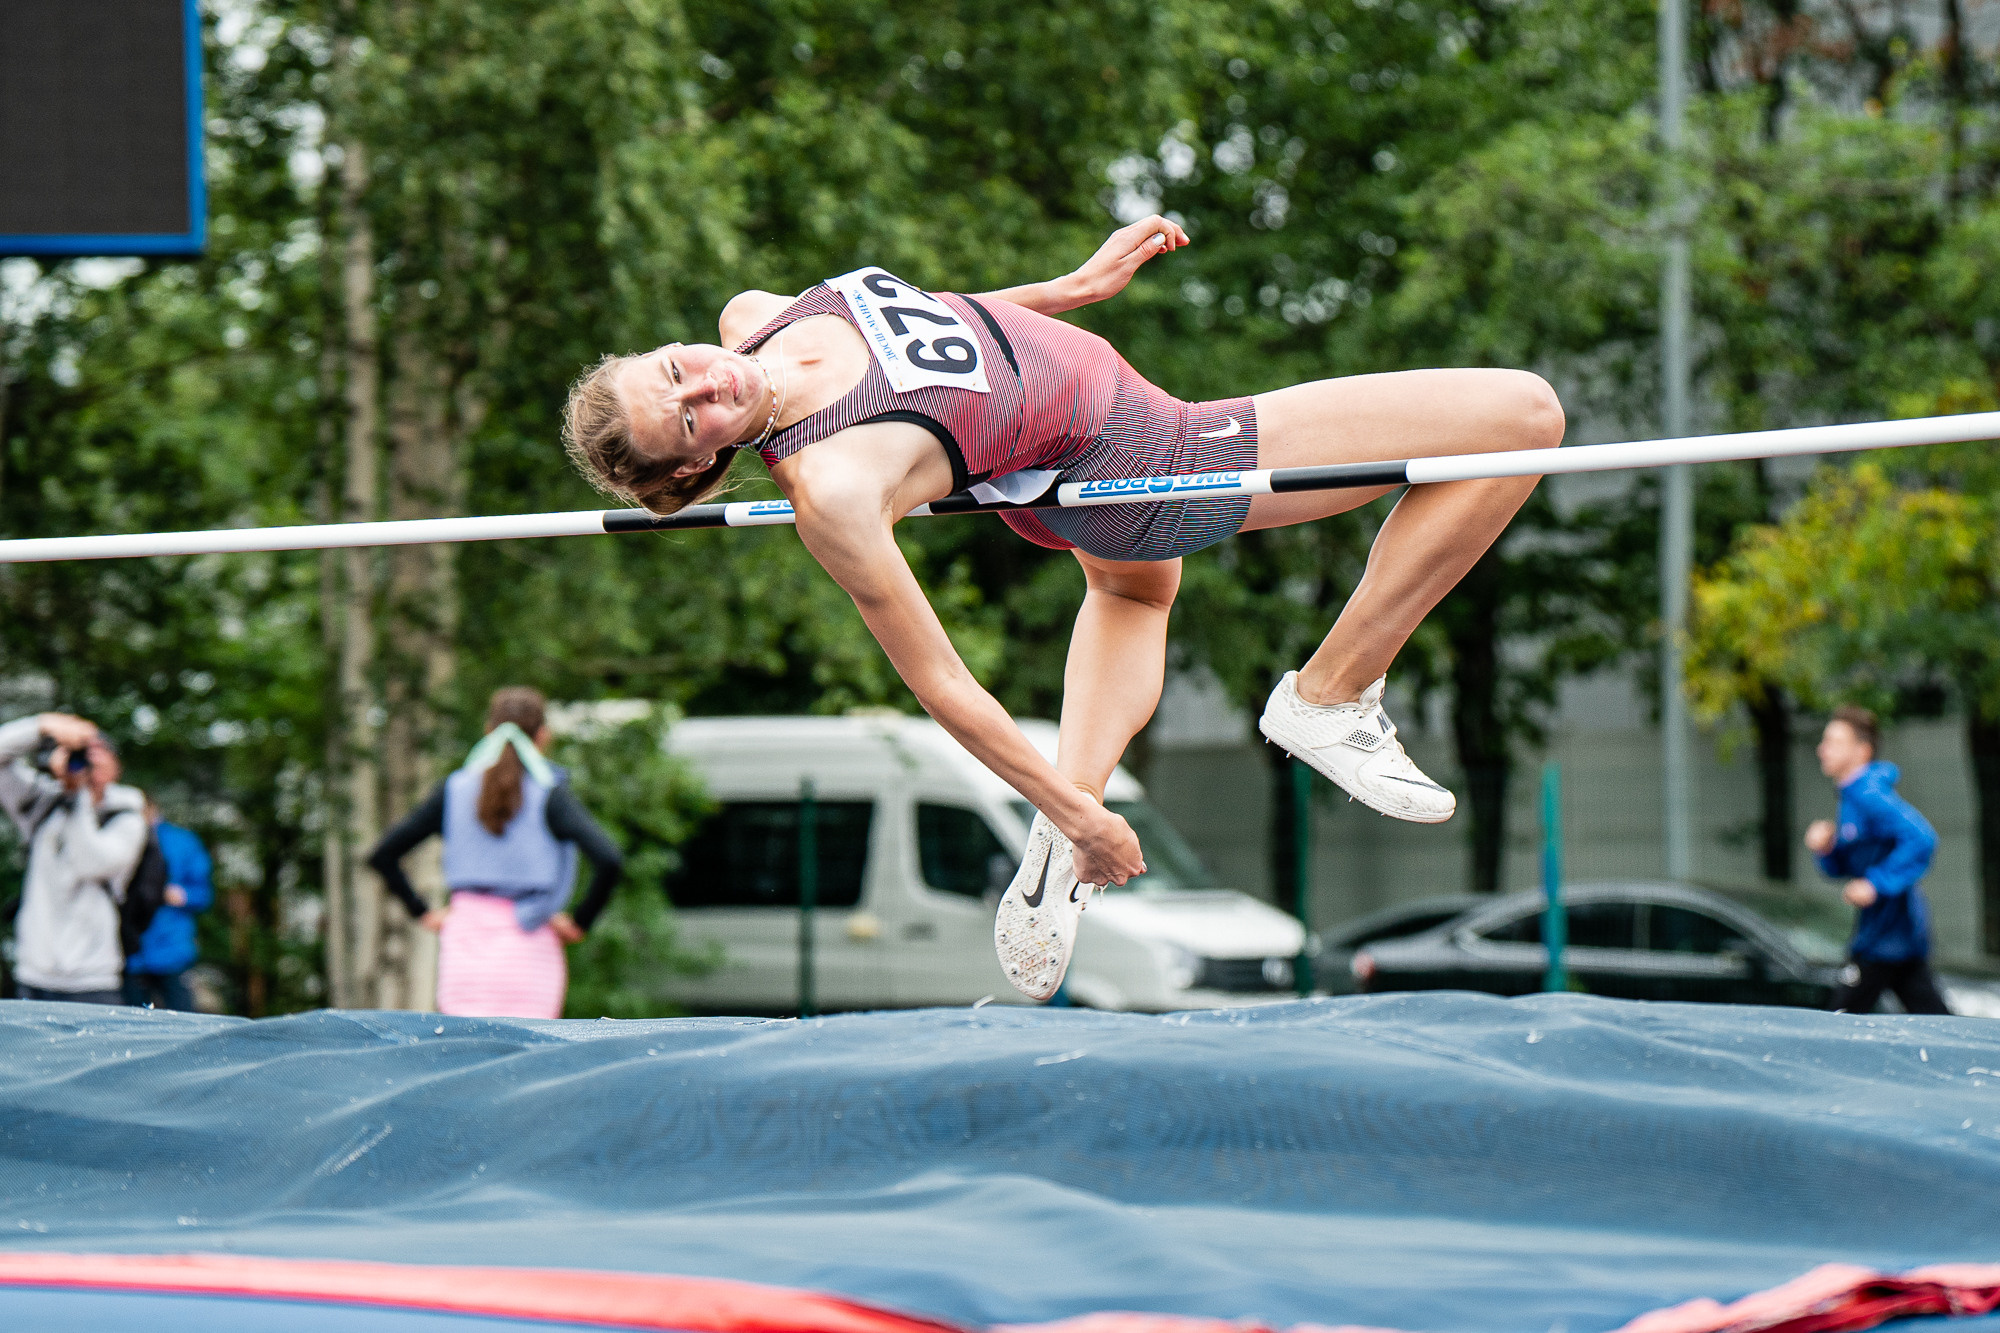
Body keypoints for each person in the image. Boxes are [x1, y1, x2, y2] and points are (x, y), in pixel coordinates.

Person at [561, 217, 1561, 998]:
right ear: (693, 466)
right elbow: (942, 682)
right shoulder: (833, 484)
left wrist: (1068, 290)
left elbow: (934, 331)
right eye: (689, 418)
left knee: (1131, 592)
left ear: (670, 345)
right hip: (1152, 458)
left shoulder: (755, 317)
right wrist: (1084, 815)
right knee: (1520, 415)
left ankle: (1058, 845)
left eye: (676, 371)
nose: (708, 386)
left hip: (1070, 454)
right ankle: (1329, 694)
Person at [367, 688, 624, 1019]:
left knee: (466, 1047)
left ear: (488, 731)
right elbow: (609, 859)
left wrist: (422, 912)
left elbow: (384, 854)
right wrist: (580, 922)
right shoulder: (550, 794)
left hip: (465, 949)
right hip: (529, 951)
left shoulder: (454, 789)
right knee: (530, 1049)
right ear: (543, 736)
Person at [1804, 705, 1950, 1016]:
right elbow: (1848, 866)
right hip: (1890, 938)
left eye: (1834, 742)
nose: (1822, 749)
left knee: (1840, 1021)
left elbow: (1922, 839)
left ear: (1862, 751)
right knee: (1934, 1019)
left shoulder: (1869, 794)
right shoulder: (1851, 797)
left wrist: (1876, 884)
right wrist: (1827, 849)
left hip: (1885, 940)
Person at [0, 713, 149, 1005]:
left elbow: (90, 864)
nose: (88, 761)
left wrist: (78, 794)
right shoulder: (42, 804)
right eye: (81, 753)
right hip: (33, 973)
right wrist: (42, 726)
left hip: (93, 978)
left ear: (116, 766)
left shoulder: (128, 817)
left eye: (98, 752)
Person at [122, 800, 212, 1011]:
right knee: (131, 1021)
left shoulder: (182, 841)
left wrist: (184, 895)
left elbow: (204, 893)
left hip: (172, 951)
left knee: (182, 1018)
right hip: (130, 953)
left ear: (152, 807)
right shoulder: (121, 838)